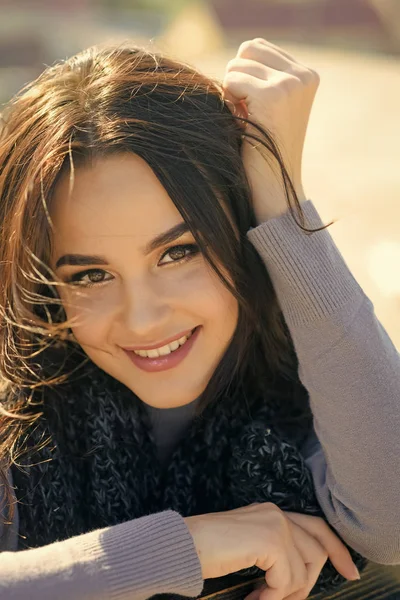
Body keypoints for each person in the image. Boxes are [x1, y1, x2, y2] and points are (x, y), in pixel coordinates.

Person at [0, 37, 399, 600]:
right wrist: (181, 548)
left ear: (239, 236)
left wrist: (283, 203)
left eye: (179, 252)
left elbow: (395, 520)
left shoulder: (312, 388)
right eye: (91, 275)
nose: (143, 320)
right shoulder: (14, 423)